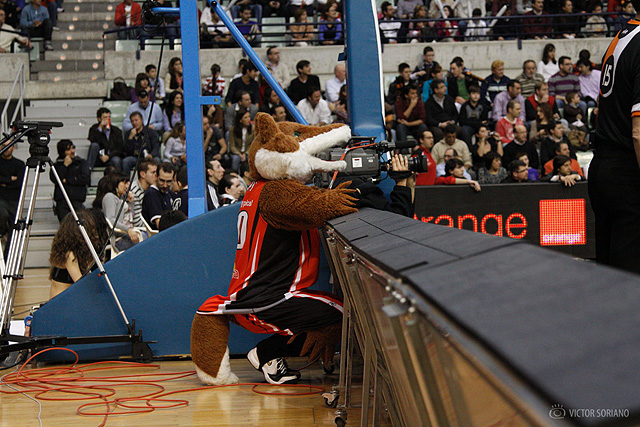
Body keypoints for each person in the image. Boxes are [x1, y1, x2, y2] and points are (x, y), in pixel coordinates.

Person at [588, 0, 640, 272]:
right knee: (628, 281)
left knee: (608, 278)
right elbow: (639, 133)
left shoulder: (621, 37)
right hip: (627, 172)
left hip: (604, 164)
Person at [49, 209, 109, 299]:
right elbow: (81, 284)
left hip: (70, 299)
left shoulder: (76, 253)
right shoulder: (70, 255)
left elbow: (89, 278)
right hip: (62, 303)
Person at [95, 172, 140, 251]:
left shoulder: (121, 198)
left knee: (145, 236)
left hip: (125, 234)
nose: (127, 186)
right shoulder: (110, 197)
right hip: (118, 239)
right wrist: (128, 229)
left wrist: (131, 202)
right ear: (116, 183)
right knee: (143, 241)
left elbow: (130, 217)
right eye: (124, 183)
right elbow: (111, 220)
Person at [50, 139, 90, 222]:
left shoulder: (81, 162)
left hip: (77, 200)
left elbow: (85, 178)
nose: (72, 151)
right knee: (65, 224)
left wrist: (67, 180)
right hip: (62, 201)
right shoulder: (56, 165)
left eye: (73, 148)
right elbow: (55, 178)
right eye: (68, 149)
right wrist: (65, 166)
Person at [0, 140, 24, 243]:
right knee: (3, 215)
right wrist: (10, 179)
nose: (6, 148)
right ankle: (2, 232)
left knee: (14, 229)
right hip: (1, 198)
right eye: (4, 145)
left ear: (13, 147)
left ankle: (8, 252)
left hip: (15, 200)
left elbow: (19, 183)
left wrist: (4, 182)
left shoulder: (19, 164)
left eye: (9, 146)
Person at [122, 111, 160, 176]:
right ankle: (126, 180)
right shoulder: (128, 134)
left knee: (157, 160)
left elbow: (156, 146)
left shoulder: (150, 132)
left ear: (142, 120)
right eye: (132, 121)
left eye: (136, 120)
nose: (134, 123)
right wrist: (130, 138)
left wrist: (151, 155)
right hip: (135, 158)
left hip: (149, 156)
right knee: (126, 161)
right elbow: (126, 151)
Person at [87, 107, 124, 172]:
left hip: (111, 157)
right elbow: (93, 141)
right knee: (94, 145)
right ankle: (87, 172)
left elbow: (120, 148)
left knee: (116, 160)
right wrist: (100, 129)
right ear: (99, 119)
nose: (107, 120)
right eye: (105, 118)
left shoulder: (116, 131)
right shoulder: (94, 129)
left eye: (109, 117)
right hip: (98, 158)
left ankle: (118, 177)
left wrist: (109, 156)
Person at [142, 161, 177, 229]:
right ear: (155, 176)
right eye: (162, 181)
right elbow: (160, 225)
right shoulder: (151, 194)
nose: (165, 185)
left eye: (169, 181)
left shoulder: (170, 193)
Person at [129, 158, 157, 227]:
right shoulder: (133, 191)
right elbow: (137, 223)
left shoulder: (152, 189)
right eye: (153, 172)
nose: (156, 175)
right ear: (142, 174)